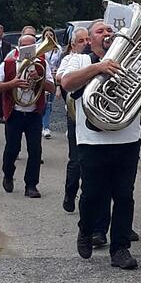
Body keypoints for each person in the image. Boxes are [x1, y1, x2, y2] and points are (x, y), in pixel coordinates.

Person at [61, 19, 141, 270]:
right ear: (90, 38)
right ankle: (86, 230)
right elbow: (66, 83)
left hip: (126, 137)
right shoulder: (80, 59)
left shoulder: (134, 60)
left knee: (124, 196)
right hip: (92, 139)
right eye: (100, 31)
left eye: (110, 30)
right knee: (92, 194)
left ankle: (120, 248)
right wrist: (99, 69)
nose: (107, 33)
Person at [0, 34, 55, 198]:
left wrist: (39, 79)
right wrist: (12, 84)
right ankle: (8, 173)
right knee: (12, 149)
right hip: (15, 112)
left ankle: (31, 185)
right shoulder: (9, 62)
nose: (28, 50)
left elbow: (52, 88)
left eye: (32, 46)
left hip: (33, 112)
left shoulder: (42, 64)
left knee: (35, 150)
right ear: (18, 47)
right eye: (25, 47)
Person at [55, 27, 89, 212]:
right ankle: (70, 192)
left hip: (93, 115)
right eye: (81, 41)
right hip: (75, 114)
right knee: (75, 159)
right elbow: (60, 77)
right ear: (73, 45)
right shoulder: (69, 59)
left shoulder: (93, 58)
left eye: (87, 40)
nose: (85, 44)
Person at [41, 26, 61, 139]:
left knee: (49, 103)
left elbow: (60, 62)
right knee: (44, 103)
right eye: (47, 35)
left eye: (51, 35)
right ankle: (43, 126)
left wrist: (57, 71)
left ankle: (45, 126)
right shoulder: (40, 47)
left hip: (53, 77)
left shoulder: (58, 49)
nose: (49, 37)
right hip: (44, 77)